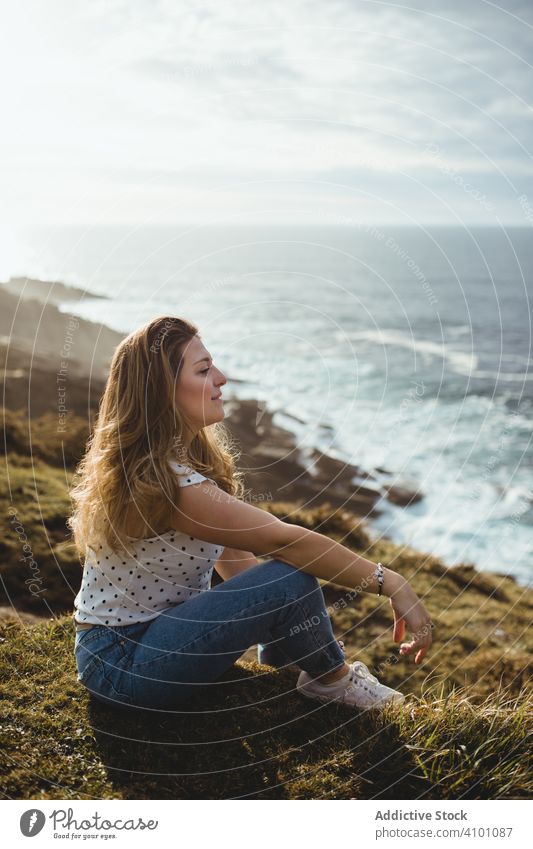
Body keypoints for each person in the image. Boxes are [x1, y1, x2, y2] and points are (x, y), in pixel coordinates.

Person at [69, 315, 433, 712]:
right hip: (124, 663)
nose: (222, 378)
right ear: (162, 389)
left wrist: (301, 630)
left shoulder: (180, 467)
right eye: (204, 370)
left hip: (149, 645)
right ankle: (334, 683)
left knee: (281, 584)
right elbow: (285, 541)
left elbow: (241, 571)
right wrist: (391, 582)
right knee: (288, 575)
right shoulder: (166, 483)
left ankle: (294, 677)